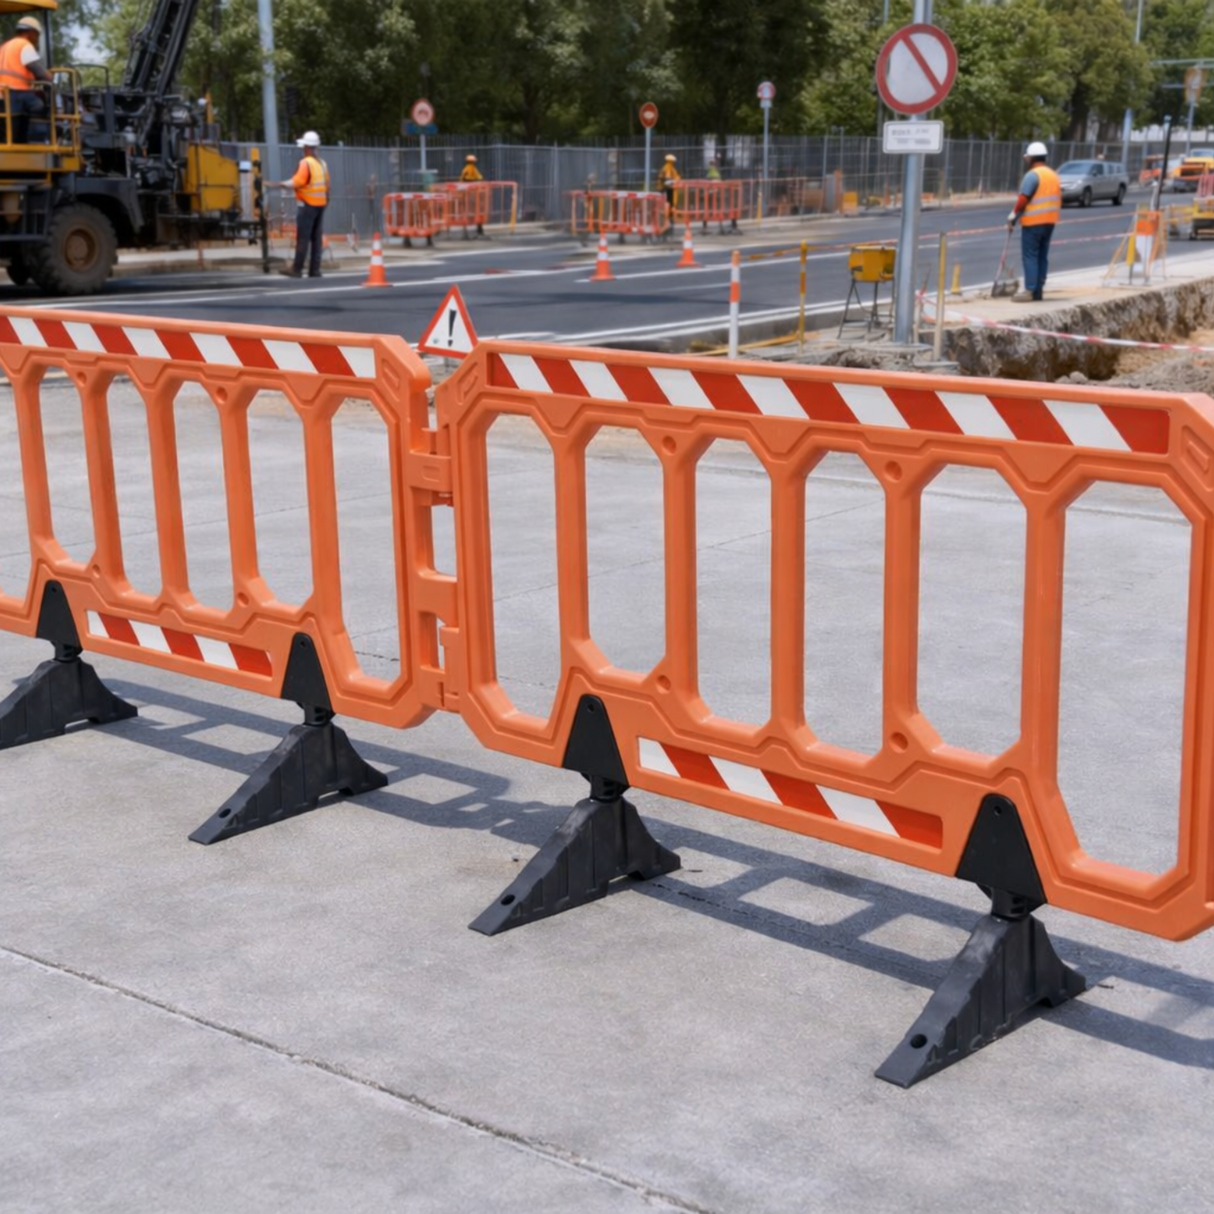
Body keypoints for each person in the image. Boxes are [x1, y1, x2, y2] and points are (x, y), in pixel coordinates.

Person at [1007, 140, 1060, 303]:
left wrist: (1013, 215)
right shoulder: (1053, 175)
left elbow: (1024, 198)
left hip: (1033, 222)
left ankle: (1029, 290)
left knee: (1030, 256)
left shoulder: (1032, 175)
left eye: (1027, 157)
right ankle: (1038, 291)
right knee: (1042, 256)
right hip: (1049, 222)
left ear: (1031, 158)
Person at [277, 130, 330, 279]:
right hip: (320, 205)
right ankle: (315, 270)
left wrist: (281, 184)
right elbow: (327, 186)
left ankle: (297, 269)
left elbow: (297, 182)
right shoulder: (322, 164)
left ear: (307, 147)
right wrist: (325, 203)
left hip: (307, 205)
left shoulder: (305, 163)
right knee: (316, 239)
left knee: (303, 238)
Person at [0, 16, 51, 145]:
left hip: (3, 95)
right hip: (17, 93)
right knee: (40, 105)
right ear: (31, 32)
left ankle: (18, 141)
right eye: (37, 35)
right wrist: (50, 79)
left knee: (9, 130)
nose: (36, 39)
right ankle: (40, 140)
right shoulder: (24, 45)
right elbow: (38, 72)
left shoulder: (5, 46)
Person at [459, 154, 485, 235]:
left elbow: (461, 180)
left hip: (467, 195)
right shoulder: (473, 170)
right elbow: (480, 178)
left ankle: (468, 229)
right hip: (474, 195)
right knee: (477, 210)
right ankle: (479, 228)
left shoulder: (465, 170)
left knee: (467, 211)